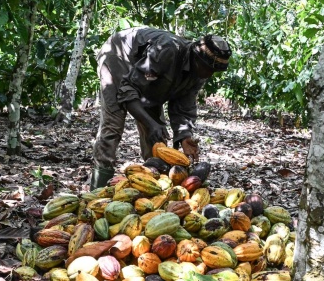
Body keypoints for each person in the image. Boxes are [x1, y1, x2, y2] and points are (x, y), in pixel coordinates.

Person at [89, 27, 232, 189]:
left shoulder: (199, 74)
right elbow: (127, 90)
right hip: (120, 57)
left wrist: (184, 136)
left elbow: (183, 107)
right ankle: (97, 188)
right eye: (207, 68)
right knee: (113, 124)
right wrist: (151, 123)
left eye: (213, 71)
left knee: (157, 141)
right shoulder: (167, 51)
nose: (208, 74)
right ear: (196, 56)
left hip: (149, 80)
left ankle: (151, 187)